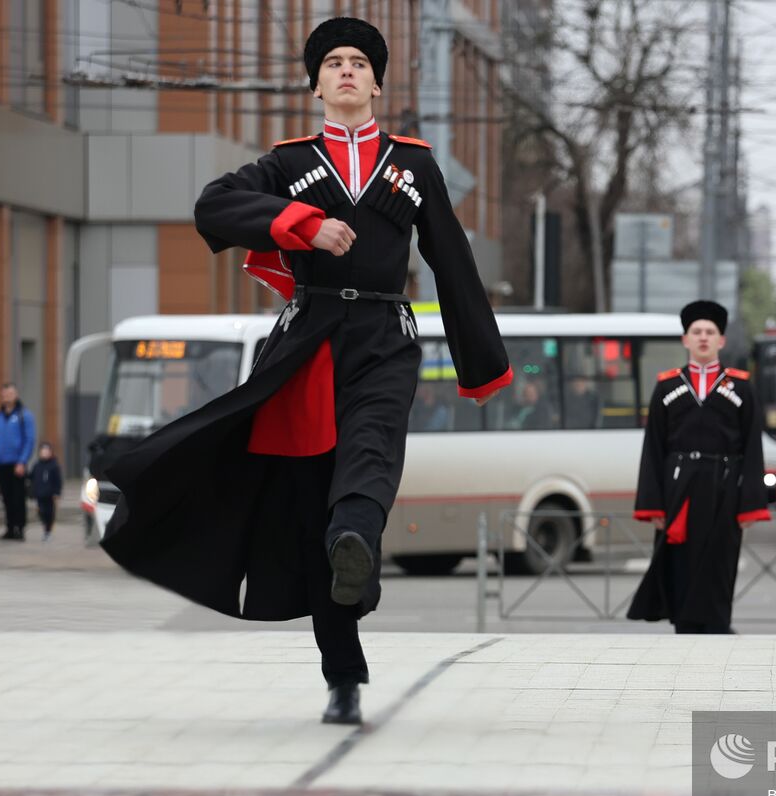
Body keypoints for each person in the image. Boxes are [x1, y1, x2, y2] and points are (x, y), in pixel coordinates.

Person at [99, 17, 510, 726]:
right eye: (334, 62)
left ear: (377, 83)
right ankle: (342, 673)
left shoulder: (414, 164)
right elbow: (213, 206)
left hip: (384, 336)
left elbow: (453, 261)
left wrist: (482, 368)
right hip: (308, 342)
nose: (347, 70)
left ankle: (356, 543)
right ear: (316, 84)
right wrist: (301, 223)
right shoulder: (288, 163)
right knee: (316, 504)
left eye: (360, 62)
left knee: (370, 456)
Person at [627, 301, 772, 634]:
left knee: (720, 561)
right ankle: (685, 630)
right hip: (679, 490)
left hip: (725, 489)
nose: (703, 337)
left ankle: (718, 628)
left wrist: (750, 505)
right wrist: (653, 505)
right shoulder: (667, 387)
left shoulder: (741, 387)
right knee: (680, 564)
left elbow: (753, 448)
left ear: (721, 340)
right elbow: (653, 448)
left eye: (710, 332)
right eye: (697, 332)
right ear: (685, 340)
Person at [0, 383, 36, 542]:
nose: (7, 396)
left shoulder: (24, 415)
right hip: (1, 464)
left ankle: (20, 528)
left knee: (18, 497)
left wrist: (22, 461)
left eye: (10, 393)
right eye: (4, 394)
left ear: (16, 395)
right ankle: (10, 528)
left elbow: (29, 440)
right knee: (6, 497)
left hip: (17, 464)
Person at [29, 443, 63, 541]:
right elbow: (31, 477)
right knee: (41, 512)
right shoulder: (37, 465)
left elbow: (58, 481)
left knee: (49, 513)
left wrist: (57, 492)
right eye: (43, 451)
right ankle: (45, 527)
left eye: (47, 451)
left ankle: (48, 531)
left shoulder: (54, 466)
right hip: (39, 494)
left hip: (50, 495)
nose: (44, 453)